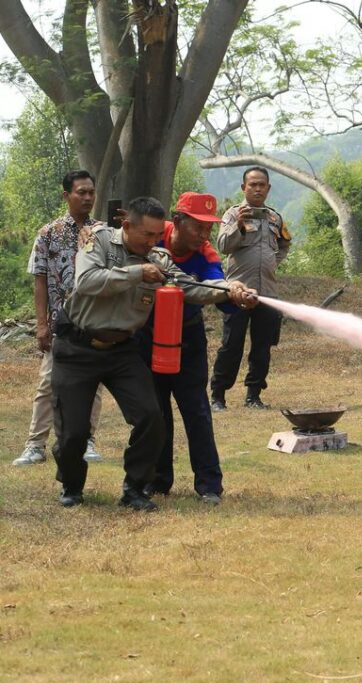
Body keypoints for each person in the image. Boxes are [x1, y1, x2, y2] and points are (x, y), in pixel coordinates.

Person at [50, 196, 259, 511]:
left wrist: (229, 290)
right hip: (77, 347)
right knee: (74, 431)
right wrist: (137, 273)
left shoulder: (159, 258)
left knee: (151, 417)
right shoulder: (99, 242)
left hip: (123, 351)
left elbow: (188, 287)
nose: (152, 241)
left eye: (157, 235)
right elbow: (87, 281)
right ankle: (72, 485)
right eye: (147, 234)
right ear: (127, 225)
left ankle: (135, 488)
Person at [134, 193, 233, 505]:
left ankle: (209, 484)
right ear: (176, 222)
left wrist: (233, 291)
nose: (204, 235)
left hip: (187, 338)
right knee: (156, 411)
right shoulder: (153, 236)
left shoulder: (207, 254)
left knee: (196, 409)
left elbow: (216, 285)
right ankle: (157, 480)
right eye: (198, 227)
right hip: (147, 336)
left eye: (208, 228)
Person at [12, 170, 105, 467]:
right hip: (59, 324)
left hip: (94, 322)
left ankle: (87, 440)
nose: (87, 197)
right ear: (66, 195)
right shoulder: (48, 233)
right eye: (81, 192)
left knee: (93, 384)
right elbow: (39, 280)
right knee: (48, 383)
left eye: (91, 192)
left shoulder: (104, 233)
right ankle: (35, 445)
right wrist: (41, 325)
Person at [210, 167, 290, 411]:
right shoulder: (233, 214)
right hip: (238, 293)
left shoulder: (275, 218)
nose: (257, 189)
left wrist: (272, 262)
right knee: (231, 345)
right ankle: (218, 396)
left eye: (261, 184)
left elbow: (285, 244)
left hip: (267, 293)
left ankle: (253, 396)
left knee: (262, 347)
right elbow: (223, 245)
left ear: (268, 188)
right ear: (243, 188)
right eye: (252, 184)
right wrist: (240, 226)